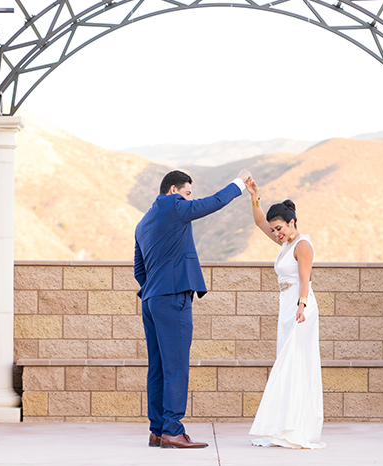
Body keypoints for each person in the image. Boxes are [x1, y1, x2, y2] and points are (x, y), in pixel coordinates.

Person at [134, 168, 251, 449]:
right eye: (187, 194)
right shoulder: (174, 206)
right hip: (172, 297)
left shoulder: (143, 222)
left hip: (151, 300)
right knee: (176, 367)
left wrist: (155, 287)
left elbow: (139, 269)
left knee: (158, 368)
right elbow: (211, 203)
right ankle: (173, 431)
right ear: (173, 191)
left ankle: (157, 430)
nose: (189, 200)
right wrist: (239, 183)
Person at [245, 178, 325, 449]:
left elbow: (305, 280)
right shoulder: (285, 243)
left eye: (279, 228)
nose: (276, 233)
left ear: (292, 223)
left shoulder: (302, 244)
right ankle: (284, 424)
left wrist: (301, 306)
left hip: (300, 307)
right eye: (274, 230)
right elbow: (258, 223)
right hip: (287, 305)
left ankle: (296, 427)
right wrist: (254, 196)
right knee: (286, 361)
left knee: (294, 363)